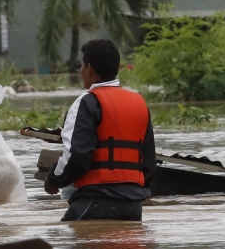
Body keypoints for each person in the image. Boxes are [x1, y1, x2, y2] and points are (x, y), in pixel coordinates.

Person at [45, 39, 154, 221]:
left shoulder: (86, 102)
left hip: (95, 198)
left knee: (63, 244)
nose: (80, 72)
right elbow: (149, 162)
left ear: (90, 69)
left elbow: (78, 156)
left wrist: (53, 179)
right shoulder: (139, 103)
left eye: (81, 67)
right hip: (133, 206)